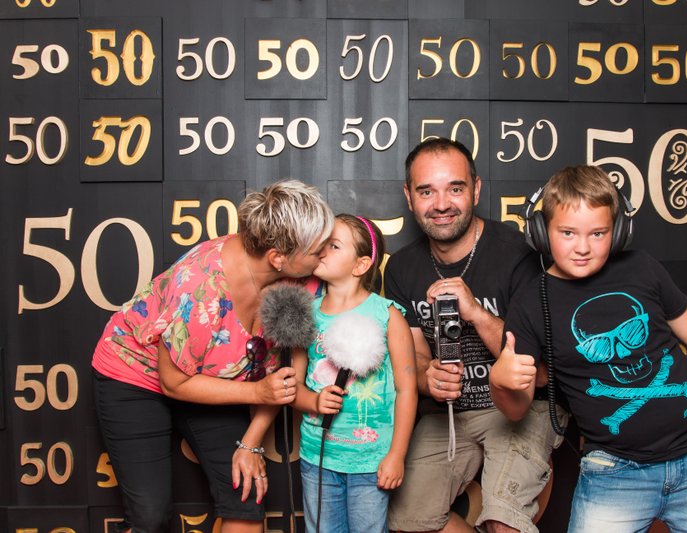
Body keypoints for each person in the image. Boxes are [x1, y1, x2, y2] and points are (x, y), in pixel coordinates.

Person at [490, 165, 687, 532]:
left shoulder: (642, 268)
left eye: (597, 233)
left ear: (617, 232)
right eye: (567, 233)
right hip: (614, 471)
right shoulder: (532, 302)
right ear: (540, 232)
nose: (582, 247)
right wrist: (501, 382)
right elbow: (516, 410)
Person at [91, 180, 334, 533]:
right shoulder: (199, 287)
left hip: (216, 381)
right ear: (278, 257)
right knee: (149, 516)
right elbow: (174, 383)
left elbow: (280, 380)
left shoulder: (299, 280)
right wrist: (257, 392)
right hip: (137, 376)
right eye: (317, 249)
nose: (325, 254)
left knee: (246, 496)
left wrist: (251, 443)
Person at [385, 138, 565, 533]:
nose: (442, 204)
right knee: (407, 522)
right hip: (447, 415)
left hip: (520, 408)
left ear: (476, 189)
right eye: (426, 191)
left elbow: (540, 370)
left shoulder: (520, 255)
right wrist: (428, 376)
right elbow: (413, 357)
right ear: (409, 197)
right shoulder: (401, 267)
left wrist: (477, 313)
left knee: (504, 522)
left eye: (455, 188)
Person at [291, 214, 417, 533]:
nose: (321, 250)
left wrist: (397, 455)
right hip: (318, 458)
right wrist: (314, 402)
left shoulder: (387, 316)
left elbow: (407, 390)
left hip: (371, 461)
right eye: (321, 242)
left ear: (360, 265)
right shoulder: (306, 315)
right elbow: (293, 388)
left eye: (334, 245)